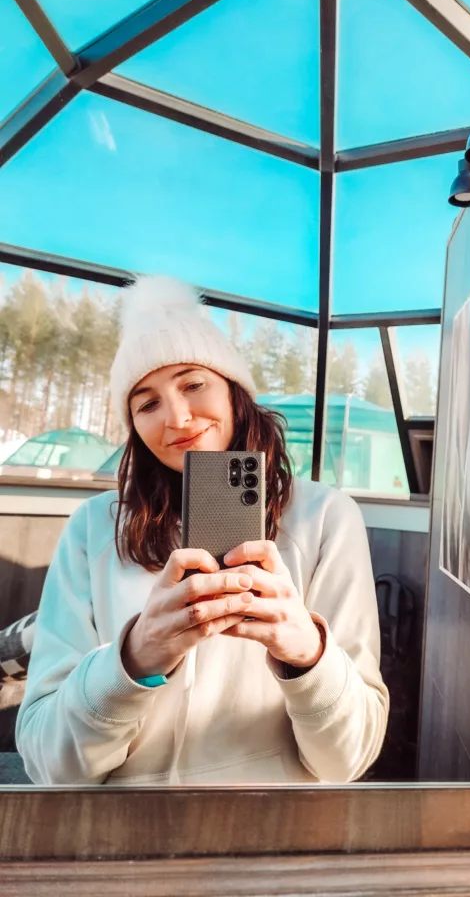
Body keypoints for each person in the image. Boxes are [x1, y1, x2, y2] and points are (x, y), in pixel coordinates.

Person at [16, 276, 389, 785]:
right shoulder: (93, 528)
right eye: (147, 403)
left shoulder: (325, 518)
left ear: (235, 392)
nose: (178, 417)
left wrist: (307, 653)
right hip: (118, 836)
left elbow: (347, 761)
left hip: (273, 836)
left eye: (193, 384)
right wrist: (133, 659)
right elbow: (47, 765)